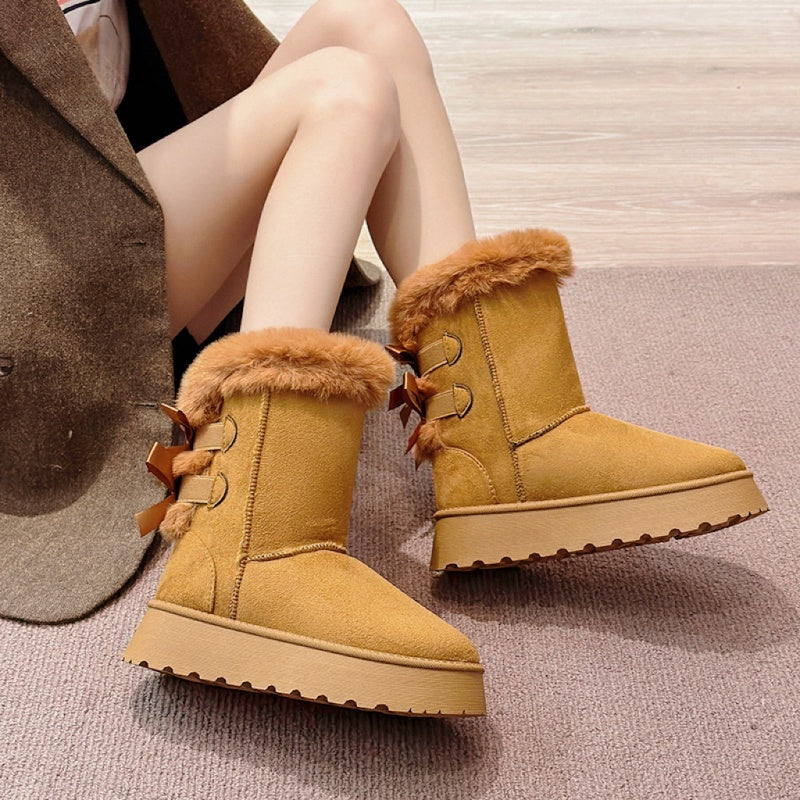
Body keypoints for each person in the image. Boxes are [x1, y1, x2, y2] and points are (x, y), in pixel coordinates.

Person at [98, 0, 766, 715]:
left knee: (367, 22)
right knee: (344, 92)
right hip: (46, 290)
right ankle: (246, 545)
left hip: (118, 195)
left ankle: (506, 439)